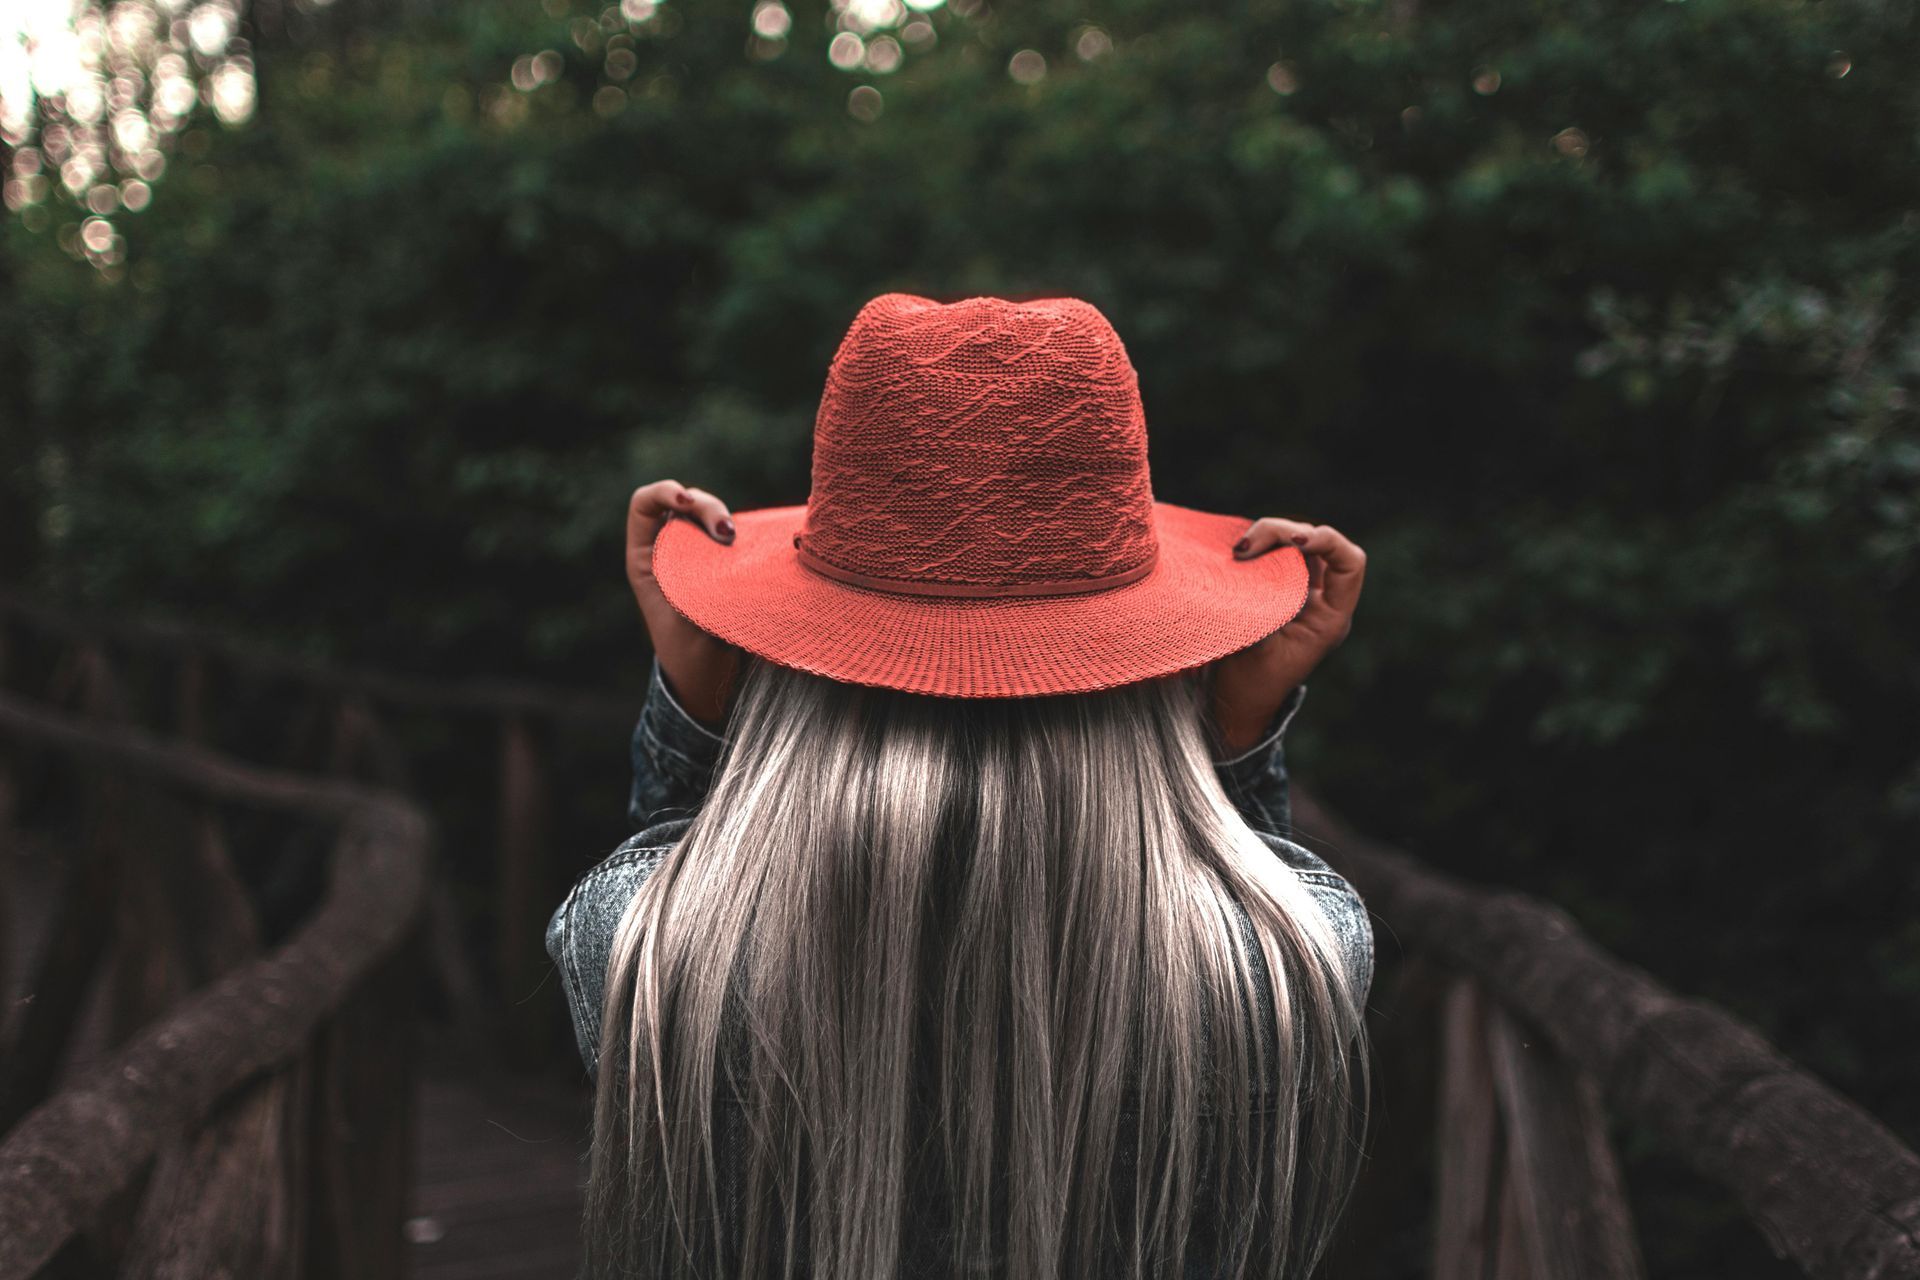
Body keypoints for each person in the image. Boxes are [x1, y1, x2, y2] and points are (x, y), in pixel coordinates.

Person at [546, 294, 1375, 1280]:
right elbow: (1242, 900)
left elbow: (686, 885)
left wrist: (695, 712)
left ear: (801, 648)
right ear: (1149, 653)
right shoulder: (1299, 959)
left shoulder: (638, 952)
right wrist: (1232, 745)